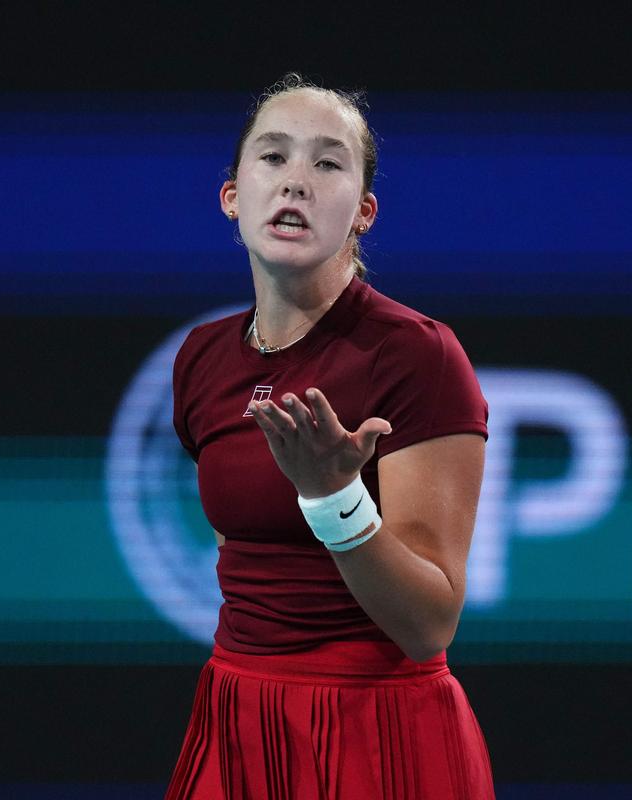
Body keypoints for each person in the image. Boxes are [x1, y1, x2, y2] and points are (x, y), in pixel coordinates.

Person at [165, 73, 495, 799]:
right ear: (232, 196)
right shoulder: (201, 358)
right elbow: (245, 560)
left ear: (364, 213)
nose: (297, 182)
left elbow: (428, 625)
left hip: (379, 730)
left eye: (327, 162)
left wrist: (334, 498)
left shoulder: (418, 356)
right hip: (236, 720)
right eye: (273, 157)